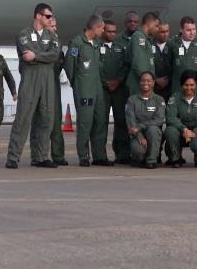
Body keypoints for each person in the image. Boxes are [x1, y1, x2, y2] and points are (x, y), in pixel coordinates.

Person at [6, 3, 61, 169]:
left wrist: (36, 55)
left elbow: (54, 55)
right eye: (48, 16)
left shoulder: (52, 36)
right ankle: (13, 157)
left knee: (46, 118)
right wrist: (42, 55)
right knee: (23, 118)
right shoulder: (24, 34)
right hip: (30, 80)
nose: (51, 19)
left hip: (47, 80)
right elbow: (26, 54)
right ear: (38, 16)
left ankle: (41, 156)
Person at [63, 15, 110, 167]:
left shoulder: (96, 43)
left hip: (97, 90)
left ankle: (100, 156)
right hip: (84, 90)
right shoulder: (77, 43)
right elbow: (69, 66)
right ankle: (84, 156)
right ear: (95, 27)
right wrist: (77, 84)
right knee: (85, 123)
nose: (103, 31)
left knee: (100, 122)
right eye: (102, 28)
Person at [33, 15, 68, 166]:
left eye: (55, 27)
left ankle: (58, 155)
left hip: (53, 86)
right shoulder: (37, 45)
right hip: (39, 86)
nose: (55, 30)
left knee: (55, 120)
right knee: (40, 122)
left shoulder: (57, 46)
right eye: (51, 27)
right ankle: (38, 156)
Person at [164, 69, 197, 167]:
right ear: (182, 85)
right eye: (186, 85)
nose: (189, 88)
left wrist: (195, 131)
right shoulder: (175, 97)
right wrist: (184, 129)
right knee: (170, 131)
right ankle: (176, 158)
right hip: (181, 131)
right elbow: (170, 117)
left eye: (192, 85)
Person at [99, 19, 131, 164]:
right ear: (103, 31)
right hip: (102, 89)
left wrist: (118, 81)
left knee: (121, 122)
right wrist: (104, 82)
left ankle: (122, 154)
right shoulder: (96, 46)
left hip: (118, 89)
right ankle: (100, 155)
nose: (112, 34)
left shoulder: (121, 47)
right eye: (109, 31)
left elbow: (125, 66)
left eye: (114, 31)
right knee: (101, 122)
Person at [126, 71, 167, 169]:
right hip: (136, 134)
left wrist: (140, 126)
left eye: (149, 81)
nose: (146, 83)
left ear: (153, 83)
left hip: (152, 133)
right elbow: (131, 121)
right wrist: (139, 136)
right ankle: (139, 158)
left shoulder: (159, 100)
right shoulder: (132, 100)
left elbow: (159, 119)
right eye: (143, 81)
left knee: (153, 129)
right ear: (139, 83)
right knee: (139, 152)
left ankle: (152, 160)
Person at [123, 11, 159, 99]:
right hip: (139, 85)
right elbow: (139, 63)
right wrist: (148, 81)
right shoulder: (139, 38)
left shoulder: (146, 39)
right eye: (156, 25)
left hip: (144, 85)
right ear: (149, 24)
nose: (157, 29)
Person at [152, 21, 175, 103]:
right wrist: (155, 79)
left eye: (167, 31)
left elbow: (178, 65)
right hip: (153, 87)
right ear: (156, 31)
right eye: (162, 32)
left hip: (170, 88)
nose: (165, 34)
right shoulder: (149, 44)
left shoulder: (174, 45)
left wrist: (168, 79)